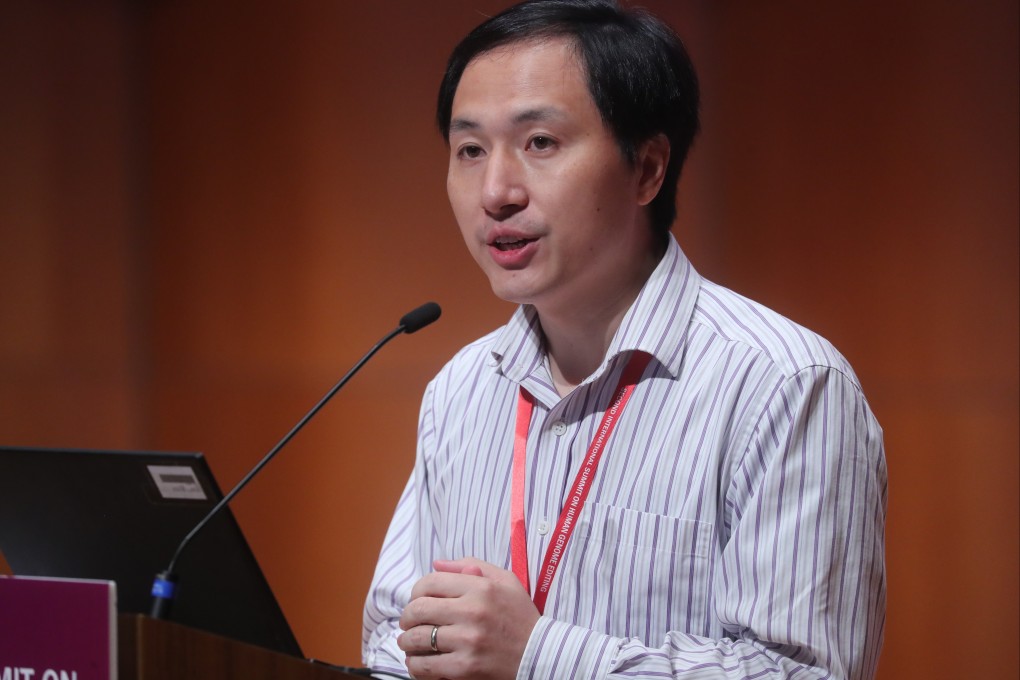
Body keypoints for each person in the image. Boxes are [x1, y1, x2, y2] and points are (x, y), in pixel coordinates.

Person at [362, 1, 887, 678]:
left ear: (647, 169)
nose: (495, 191)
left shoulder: (783, 385)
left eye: (540, 143)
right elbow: (391, 630)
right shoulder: (461, 389)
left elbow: (805, 671)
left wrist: (538, 655)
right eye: (470, 150)